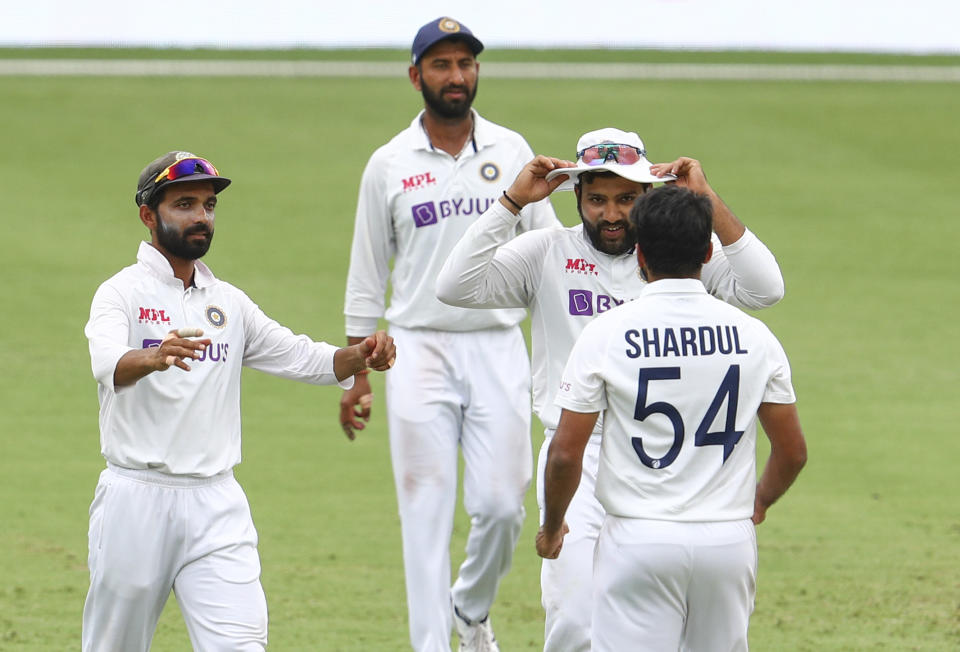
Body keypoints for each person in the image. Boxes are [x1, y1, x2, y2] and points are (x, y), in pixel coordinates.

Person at [435, 128, 786, 651]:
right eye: (597, 199)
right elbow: (454, 286)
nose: (612, 214)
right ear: (575, 196)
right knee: (574, 623)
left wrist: (706, 199)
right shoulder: (545, 252)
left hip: (663, 457)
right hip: (580, 453)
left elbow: (766, 288)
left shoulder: (677, 256)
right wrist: (511, 202)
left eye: (626, 198)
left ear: (647, 197)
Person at [82, 150, 396, 651]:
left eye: (208, 206)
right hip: (136, 499)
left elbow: (300, 357)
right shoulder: (119, 293)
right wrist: (154, 357)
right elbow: (107, 364)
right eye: (185, 204)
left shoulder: (226, 302)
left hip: (216, 503)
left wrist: (358, 357)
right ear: (148, 215)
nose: (201, 217)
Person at [339, 16, 559, 652]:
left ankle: (470, 608)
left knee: (502, 507)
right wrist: (357, 373)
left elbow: (548, 253)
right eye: (441, 65)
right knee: (424, 516)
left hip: (497, 345)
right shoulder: (388, 163)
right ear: (416, 77)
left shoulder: (514, 152)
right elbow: (366, 273)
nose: (456, 76)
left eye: (465, 63)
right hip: (417, 348)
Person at [536, 184, 807, 651]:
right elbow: (793, 452)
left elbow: (564, 453)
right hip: (728, 541)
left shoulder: (607, 333)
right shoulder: (755, 336)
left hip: (639, 538)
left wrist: (553, 524)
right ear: (707, 252)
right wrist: (758, 501)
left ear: (640, 255)